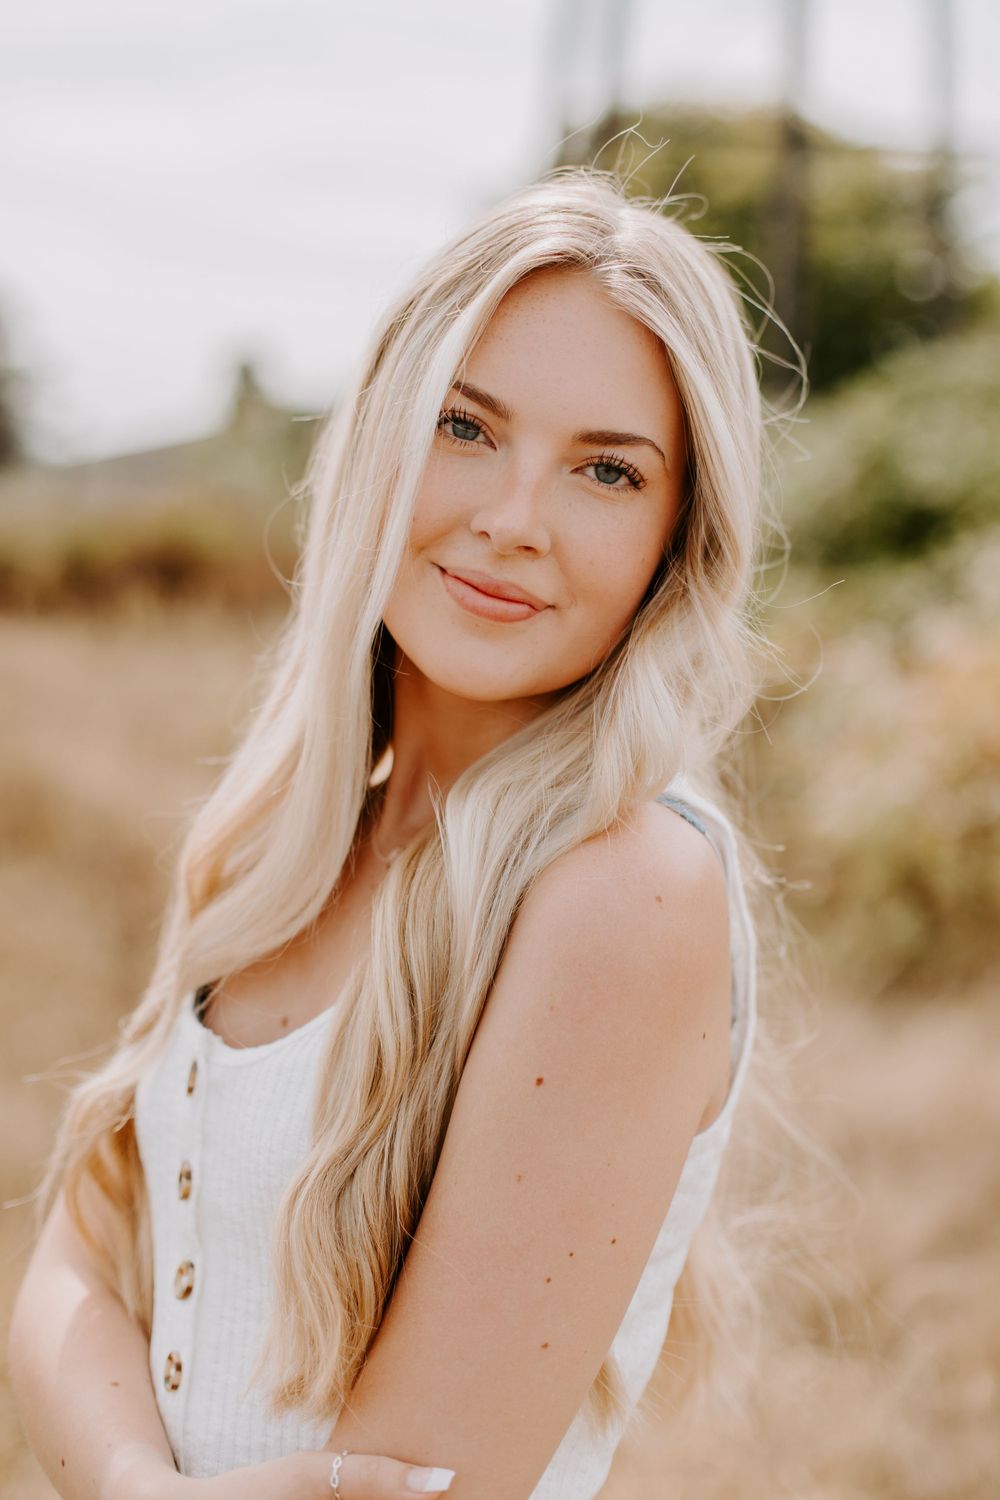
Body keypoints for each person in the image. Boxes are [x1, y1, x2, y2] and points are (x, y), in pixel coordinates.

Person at [9, 165, 806, 1500]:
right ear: (380, 434)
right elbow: (75, 1263)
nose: (512, 521)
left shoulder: (625, 890)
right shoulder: (280, 839)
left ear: (678, 538)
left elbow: (401, 1486)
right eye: (466, 426)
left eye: (606, 471)